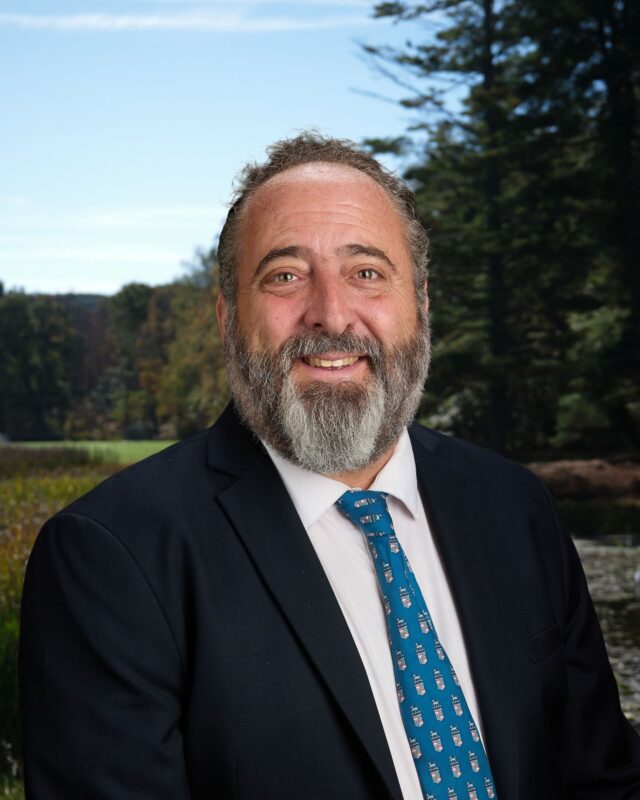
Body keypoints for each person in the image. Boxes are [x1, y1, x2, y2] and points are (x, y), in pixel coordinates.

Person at [19, 133, 640, 800]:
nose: (331, 314)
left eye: (366, 272)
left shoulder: (514, 506)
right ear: (228, 317)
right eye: (285, 276)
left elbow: (603, 781)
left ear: (420, 303)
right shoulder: (111, 557)